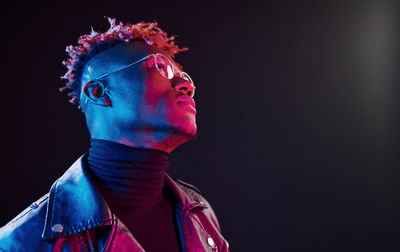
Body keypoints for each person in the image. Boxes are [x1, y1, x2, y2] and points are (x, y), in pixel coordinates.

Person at [0, 17, 229, 252]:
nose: (185, 85)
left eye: (185, 76)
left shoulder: (200, 214)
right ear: (99, 92)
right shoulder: (21, 242)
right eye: (162, 67)